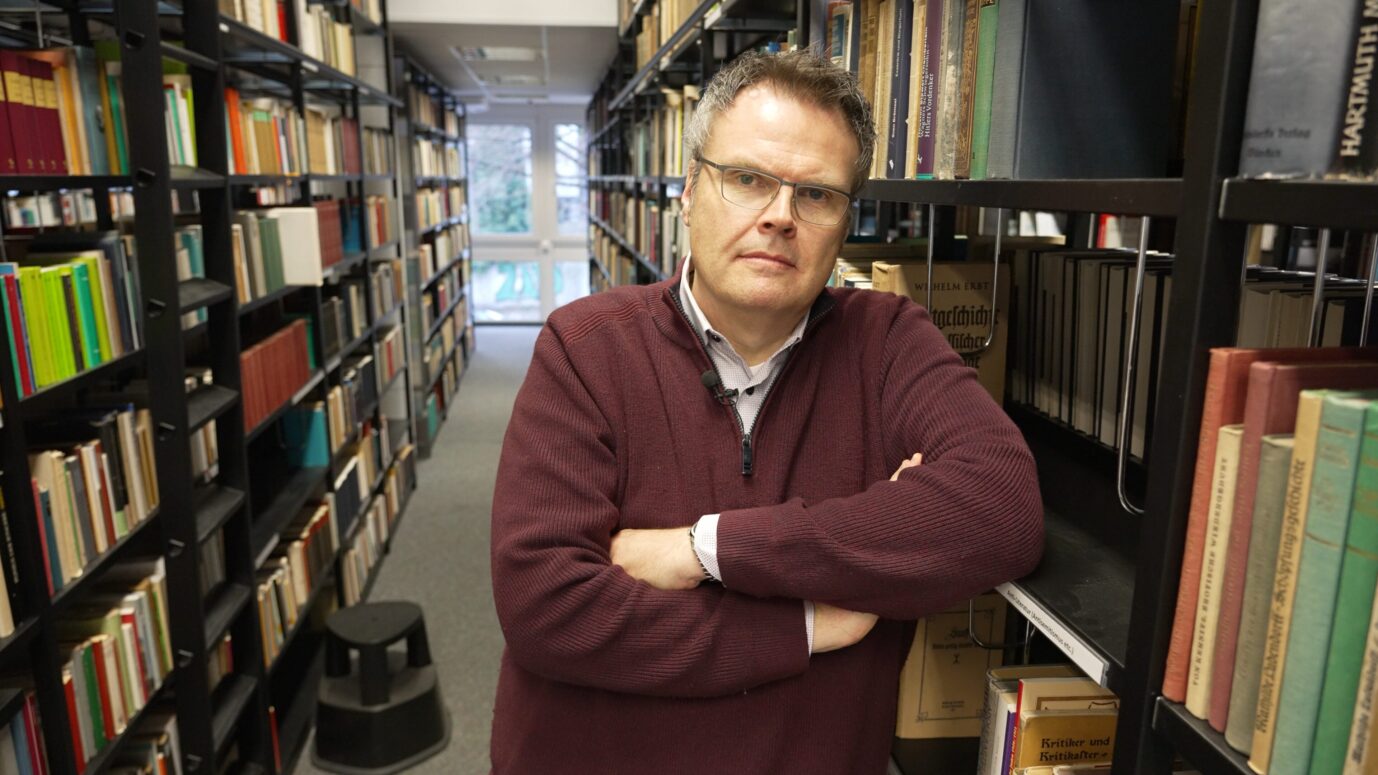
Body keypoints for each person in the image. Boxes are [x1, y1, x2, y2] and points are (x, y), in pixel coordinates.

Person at [489, 48, 1043, 773]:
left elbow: (1002, 511)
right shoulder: (585, 347)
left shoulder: (889, 342)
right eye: (747, 179)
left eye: (816, 194)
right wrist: (808, 621)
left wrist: (704, 548)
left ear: (844, 223)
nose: (780, 216)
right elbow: (546, 608)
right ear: (688, 192)